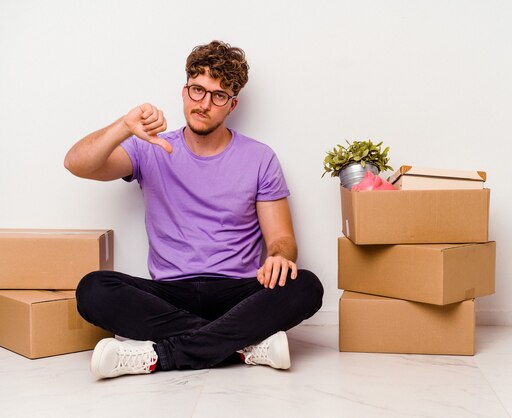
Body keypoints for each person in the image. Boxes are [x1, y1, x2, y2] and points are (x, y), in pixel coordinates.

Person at [64, 40, 324, 379]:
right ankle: (243, 345)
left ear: (232, 104)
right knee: (93, 289)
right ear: (184, 91)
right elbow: (76, 163)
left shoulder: (260, 158)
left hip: (238, 292)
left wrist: (278, 256)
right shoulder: (152, 148)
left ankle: (161, 355)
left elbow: (283, 240)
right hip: (170, 294)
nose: (204, 104)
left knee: (306, 285)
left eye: (218, 96)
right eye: (197, 90)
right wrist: (123, 126)